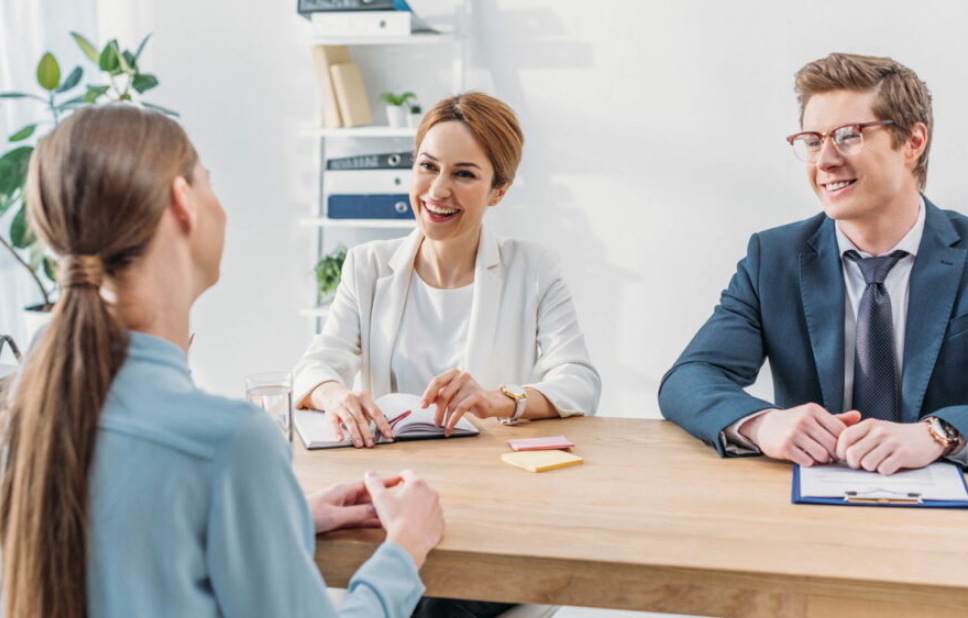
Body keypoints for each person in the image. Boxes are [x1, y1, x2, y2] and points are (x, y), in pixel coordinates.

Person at [0, 104, 444, 618]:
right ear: (182, 202)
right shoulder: (228, 441)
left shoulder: (33, 402)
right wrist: (403, 551)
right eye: (209, 183)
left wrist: (280, 516)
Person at [660, 53, 968, 475]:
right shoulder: (774, 258)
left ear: (913, 142)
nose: (824, 161)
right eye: (812, 140)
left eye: (848, 135)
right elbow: (689, 378)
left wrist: (940, 432)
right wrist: (763, 423)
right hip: (808, 509)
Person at [294, 92, 600, 448]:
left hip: (491, 474)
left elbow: (580, 382)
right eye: (428, 166)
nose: (437, 190)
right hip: (392, 473)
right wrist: (334, 396)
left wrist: (496, 400)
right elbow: (314, 366)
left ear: (497, 192)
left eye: (464, 174)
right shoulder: (368, 265)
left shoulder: (533, 268)